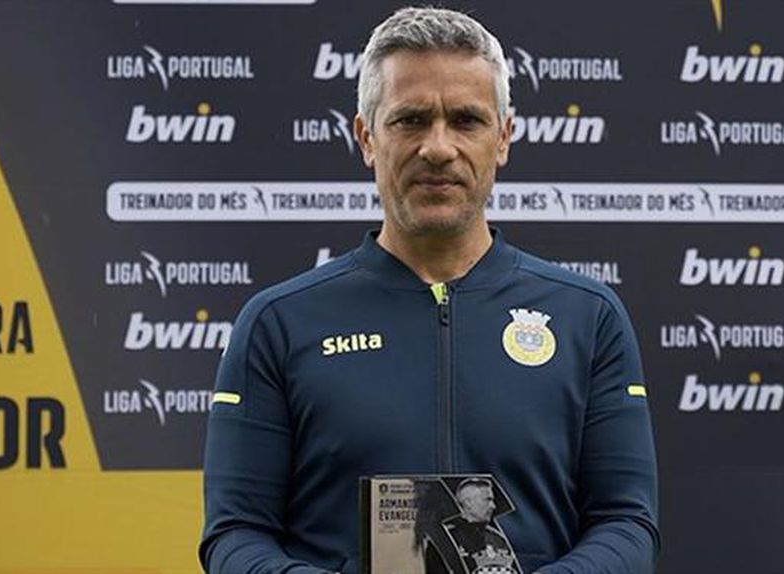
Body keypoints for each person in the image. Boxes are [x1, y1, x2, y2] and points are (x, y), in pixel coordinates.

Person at [200, 7, 659, 574]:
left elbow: (626, 524)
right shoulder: (278, 323)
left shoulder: (587, 318)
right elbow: (235, 535)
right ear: (367, 138)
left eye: (466, 120)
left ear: (503, 138)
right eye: (410, 120)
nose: (438, 147)